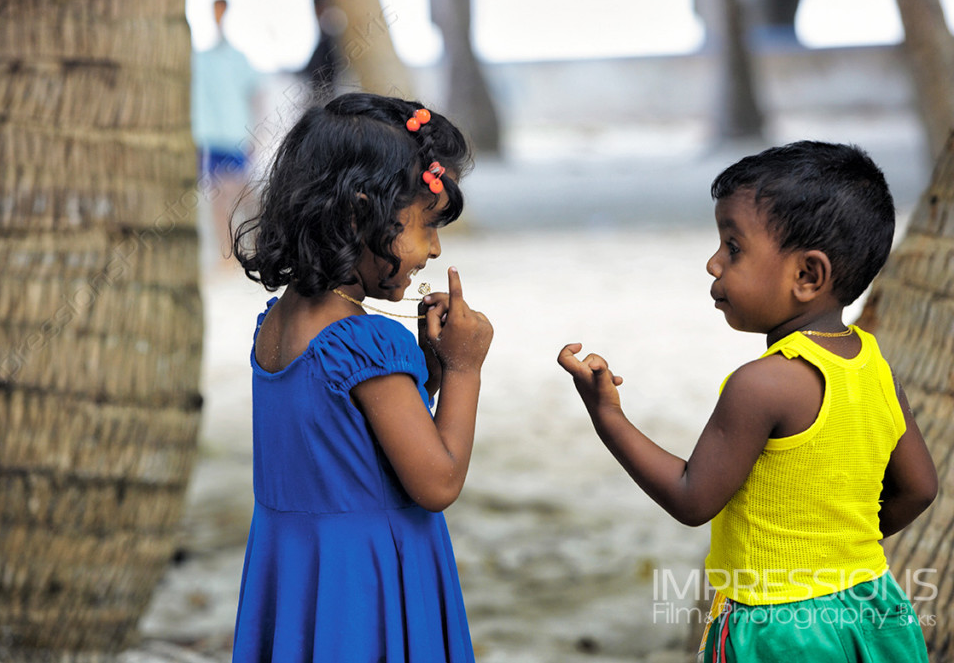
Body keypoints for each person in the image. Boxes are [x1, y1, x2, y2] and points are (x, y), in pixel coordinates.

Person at [557, 141, 937, 662]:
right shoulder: (875, 367)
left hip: (781, 629)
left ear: (808, 276)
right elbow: (919, 488)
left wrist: (608, 417)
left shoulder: (761, 386)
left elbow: (692, 499)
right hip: (873, 608)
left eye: (733, 247)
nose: (713, 263)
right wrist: (834, 556)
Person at [229, 92, 492, 662]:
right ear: (360, 212)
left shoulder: (275, 324)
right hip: (367, 590)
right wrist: (466, 367)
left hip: (303, 582)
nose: (434, 248)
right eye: (426, 225)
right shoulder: (368, 343)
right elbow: (437, 481)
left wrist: (428, 369)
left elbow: (354, 445)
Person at [191, 0, 261, 265]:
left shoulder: (238, 58)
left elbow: (254, 96)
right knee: (219, 202)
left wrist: (255, 135)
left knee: (241, 196)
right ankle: (228, 257)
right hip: (210, 139)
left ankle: (252, 251)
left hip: (235, 137)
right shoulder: (201, 58)